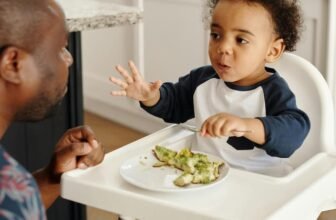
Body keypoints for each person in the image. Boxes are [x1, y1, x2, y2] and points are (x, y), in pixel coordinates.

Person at [109, 0, 310, 177]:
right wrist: (151, 96)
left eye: (241, 40)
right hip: (208, 176)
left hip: (261, 183)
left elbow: (293, 132)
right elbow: (174, 104)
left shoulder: (273, 91)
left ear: (272, 50)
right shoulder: (202, 80)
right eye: (216, 35)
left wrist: (247, 125)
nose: (222, 47)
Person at [0, 0, 104, 219]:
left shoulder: (15, 193)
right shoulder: (11, 195)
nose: (69, 59)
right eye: (60, 49)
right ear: (12, 64)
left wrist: (51, 177)